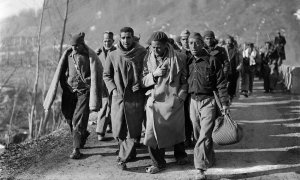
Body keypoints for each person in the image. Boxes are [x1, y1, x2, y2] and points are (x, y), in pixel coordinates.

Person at [43, 32, 102, 159]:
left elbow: (97, 73)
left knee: (77, 120)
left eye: (77, 45)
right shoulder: (68, 55)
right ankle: (83, 134)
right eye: (72, 45)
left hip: (83, 92)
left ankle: (76, 149)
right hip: (69, 92)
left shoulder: (90, 56)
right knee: (68, 117)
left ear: (82, 44)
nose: (74, 48)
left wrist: (89, 81)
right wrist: (65, 86)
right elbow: (61, 72)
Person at [141, 31, 188, 174]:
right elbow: (143, 81)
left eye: (158, 47)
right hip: (155, 101)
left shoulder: (179, 58)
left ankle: (180, 155)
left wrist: (181, 97)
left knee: (176, 129)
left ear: (166, 45)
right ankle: (158, 163)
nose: (155, 50)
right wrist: (154, 75)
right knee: (152, 132)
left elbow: (185, 81)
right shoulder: (147, 59)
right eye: (153, 47)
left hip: (174, 100)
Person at [103, 27, 147, 170]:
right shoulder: (113, 55)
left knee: (133, 129)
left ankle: (122, 158)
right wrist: (113, 90)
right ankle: (129, 152)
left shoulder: (142, 53)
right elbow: (107, 75)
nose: (126, 41)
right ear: (119, 39)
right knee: (119, 129)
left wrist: (140, 84)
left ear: (133, 38)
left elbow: (147, 72)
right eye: (123, 38)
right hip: (119, 98)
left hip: (135, 98)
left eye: (128, 37)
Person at [187, 32, 229, 180]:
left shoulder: (212, 61)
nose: (192, 46)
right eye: (190, 43)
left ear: (202, 44)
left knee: (204, 134)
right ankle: (209, 158)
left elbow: (221, 84)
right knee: (198, 134)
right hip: (193, 102)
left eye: (196, 43)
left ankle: (200, 168)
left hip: (208, 101)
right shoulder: (188, 61)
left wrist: (224, 104)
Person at [95, 31, 116, 141]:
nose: (107, 43)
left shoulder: (117, 52)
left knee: (112, 106)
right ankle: (100, 131)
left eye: (109, 41)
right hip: (102, 85)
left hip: (114, 84)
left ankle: (109, 126)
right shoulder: (98, 53)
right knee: (105, 106)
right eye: (105, 41)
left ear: (113, 41)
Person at [180, 29, 194, 148]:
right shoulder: (178, 54)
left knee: (194, 116)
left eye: (188, 39)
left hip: (196, 89)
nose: (186, 41)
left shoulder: (197, 53)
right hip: (184, 89)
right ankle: (186, 137)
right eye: (183, 39)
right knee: (185, 114)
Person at [224, 35, 241, 102]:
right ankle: (226, 96)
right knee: (226, 84)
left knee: (233, 84)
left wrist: (239, 66)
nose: (228, 42)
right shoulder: (223, 49)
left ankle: (231, 96)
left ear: (232, 41)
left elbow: (240, 60)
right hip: (226, 69)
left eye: (229, 41)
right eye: (227, 41)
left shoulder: (236, 50)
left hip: (234, 69)